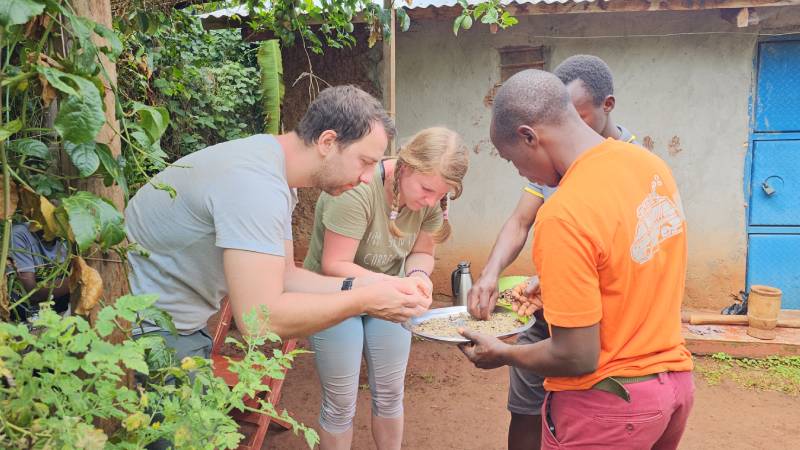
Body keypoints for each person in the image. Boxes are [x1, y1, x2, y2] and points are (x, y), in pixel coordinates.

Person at [460, 69, 694, 449]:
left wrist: (504, 353)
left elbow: (576, 355)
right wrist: (556, 286)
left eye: (510, 159)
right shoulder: (649, 167)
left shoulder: (562, 213)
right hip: (673, 388)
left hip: (610, 405)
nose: (518, 171)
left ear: (529, 137)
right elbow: (632, 265)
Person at [124, 85, 432, 361]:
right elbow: (260, 322)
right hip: (147, 332)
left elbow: (285, 276)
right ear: (327, 141)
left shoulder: (273, 169)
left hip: (175, 325)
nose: (367, 177)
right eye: (364, 162)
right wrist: (364, 301)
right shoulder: (256, 186)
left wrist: (373, 283)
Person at [303, 127, 469, 450]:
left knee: (392, 393)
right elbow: (335, 265)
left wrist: (419, 277)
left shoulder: (432, 199)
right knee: (341, 403)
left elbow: (422, 253)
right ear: (405, 166)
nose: (430, 201)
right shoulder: (358, 190)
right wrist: (396, 284)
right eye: (426, 190)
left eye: (441, 194)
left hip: (389, 291)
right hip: (334, 292)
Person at [5, 223, 70, 322]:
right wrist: (76, 280)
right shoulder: (20, 235)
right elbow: (33, 294)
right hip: (26, 313)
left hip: (58, 307)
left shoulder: (68, 237)